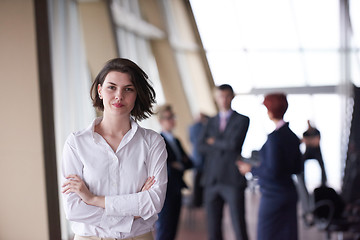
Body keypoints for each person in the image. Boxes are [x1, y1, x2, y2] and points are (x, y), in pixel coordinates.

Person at [61, 58, 168, 240]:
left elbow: (154, 202)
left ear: (136, 94)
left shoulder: (153, 142)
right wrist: (134, 212)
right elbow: (74, 209)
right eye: (112, 87)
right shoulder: (76, 143)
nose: (119, 95)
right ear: (100, 90)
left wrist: (93, 199)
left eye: (128, 89)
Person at [238, 93, 303, 240]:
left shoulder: (275, 137)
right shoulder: (292, 136)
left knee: (266, 235)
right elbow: (297, 168)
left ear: (270, 110)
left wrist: (251, 169)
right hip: (289, 192)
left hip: (273, 195)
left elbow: (272, 171)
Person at [198, 84, 250, 240]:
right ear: (216, 98)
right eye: (221, 96)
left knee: (239, 225)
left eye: (227, 96)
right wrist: (222, 144)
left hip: (232, 179)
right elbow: (200, 146)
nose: (224, 100)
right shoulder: (210, 121)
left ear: (232, 97)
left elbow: (234, 145)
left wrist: (213, 142)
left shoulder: (242, 119)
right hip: (212, 180)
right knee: (213, 228)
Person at [155, 104, 193, 240]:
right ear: (161, 121)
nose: (172, 120)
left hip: (177, 188)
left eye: (173, 117)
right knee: (165, 228)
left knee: (173, 228)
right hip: (165, 191)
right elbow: (165, 167)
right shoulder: (158, 141)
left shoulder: (176, 140)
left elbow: (189, 163)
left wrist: (178, 164)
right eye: (168, 117)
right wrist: (177, 163)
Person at [189, 112, 209, 207]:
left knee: (197, 179)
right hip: (202, 158)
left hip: (197, 157)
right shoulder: (201, 127)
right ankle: (199, 201)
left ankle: (197, 201)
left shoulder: (192, 128)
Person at [302, 120, 327, 186]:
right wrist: (312, 141)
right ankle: (302, 183)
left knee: (322, 165)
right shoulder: (305, 133)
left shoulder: (317, 131)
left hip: (317, 152)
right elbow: (305, 141)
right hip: (308, 152)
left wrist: (308, 141)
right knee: (300, 163)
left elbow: (316, 142)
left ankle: (324, 183)